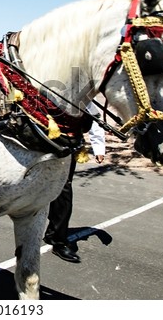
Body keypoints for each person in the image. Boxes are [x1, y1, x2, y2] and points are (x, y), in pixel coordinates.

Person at [43, 106, 105, 263]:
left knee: (63, 190)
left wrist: (98, 146)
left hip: (67, 144)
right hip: (40, 141)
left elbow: (94, 113)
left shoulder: (79, 88)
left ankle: (58, 239)